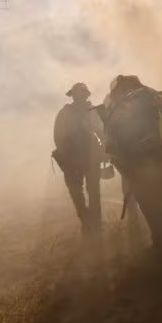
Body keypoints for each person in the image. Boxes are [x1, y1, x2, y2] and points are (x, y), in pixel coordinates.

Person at [99, 75, 162, 267]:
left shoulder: (144, 98)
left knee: (155, 210)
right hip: (156, 169)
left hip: (145, 172)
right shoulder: (141, 99)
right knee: (160, 208)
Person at [52, 82, 106, 234]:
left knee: (88, 192)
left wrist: (104, 149)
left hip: (87, 158)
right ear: (74, 96)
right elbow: (58, 137)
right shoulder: (67, 113)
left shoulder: (89, 112)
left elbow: (101, 132)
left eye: (82, 94)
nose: (81, 97)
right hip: (76, 159)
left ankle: (92, 223)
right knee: (81, 193)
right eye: (78, 94)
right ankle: (89, 221)